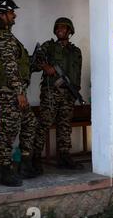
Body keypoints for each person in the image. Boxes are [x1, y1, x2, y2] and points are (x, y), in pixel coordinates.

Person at [0, 0, 37, 186]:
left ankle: (24, 163)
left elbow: (16, 62)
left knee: (30, 122)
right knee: (9, 130)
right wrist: (19, 92)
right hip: (10, 90)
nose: (14, 15)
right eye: (11, 12)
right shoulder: (3, 37)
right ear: (1, 15)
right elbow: (9, 66)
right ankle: (6, 171)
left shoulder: (3, 35)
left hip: (12, 89)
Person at [32, 17, 83, 171]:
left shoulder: (76, 51)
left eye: (63, 27)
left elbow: (77, 73)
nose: (60, 30)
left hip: (69, 93)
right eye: (58, 27)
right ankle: (34, 158)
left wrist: (75, 91)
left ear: (69, 30)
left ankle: (64, 156)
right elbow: (35, 59)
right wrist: (46, 66)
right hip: (51, 92)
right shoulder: (49, 47)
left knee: (64, 126)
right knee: (44, 124)